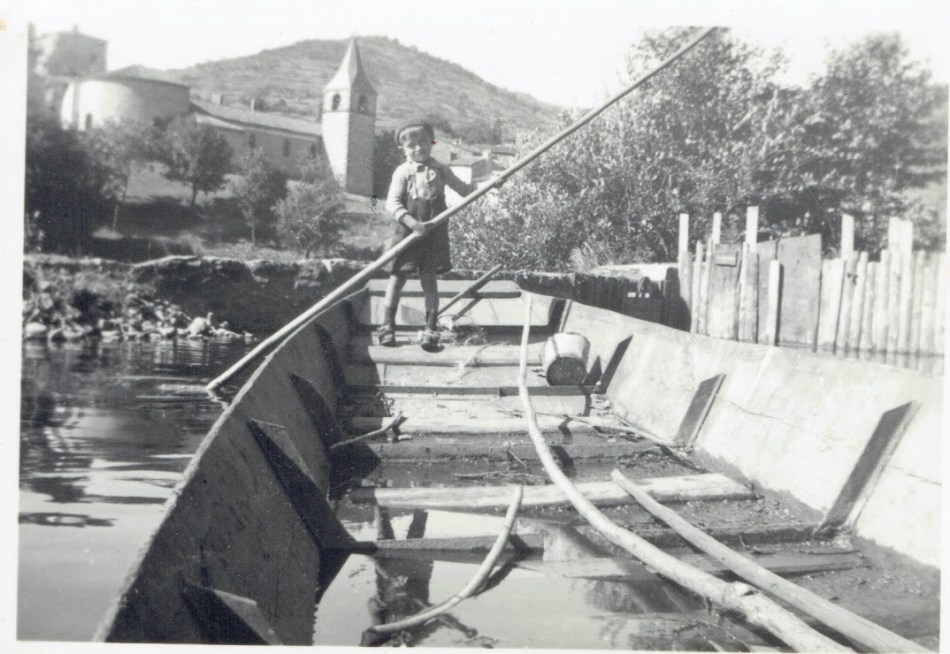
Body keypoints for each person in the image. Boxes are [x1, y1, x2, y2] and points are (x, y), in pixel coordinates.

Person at [379, 122, 477, 350]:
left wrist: (490, 185)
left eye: (423, 143)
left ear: (431, 143)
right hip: (407, 232)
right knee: (397, 278)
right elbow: (391, 203)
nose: (418, 149)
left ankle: (430, 329)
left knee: (429, 281)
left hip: (434, 233)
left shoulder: (442, 170)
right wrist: (414, 224)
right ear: (403, 149)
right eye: (411, 145)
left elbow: (465, 191)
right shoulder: (402, 172)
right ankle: (387, 326)